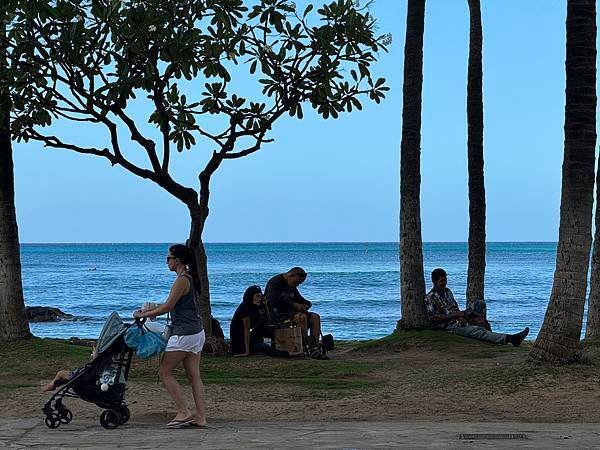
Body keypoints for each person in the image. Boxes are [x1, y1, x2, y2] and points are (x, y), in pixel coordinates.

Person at [133, 244, 207, 429]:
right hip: (196, 333)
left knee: (164, 372)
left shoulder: (182, 280)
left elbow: (168, 307)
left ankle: (184, 412)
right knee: (194, 376)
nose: (167, 261)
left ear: (177, 260)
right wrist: (152, 310)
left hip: (184, 334)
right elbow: (172, 304)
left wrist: (143, 314)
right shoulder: (188, 278)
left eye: (169, 258)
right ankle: (201, 418)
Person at [424, 268, 529, 346]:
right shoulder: (430, 298)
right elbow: (434, 319)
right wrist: (453, 316)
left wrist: (460, 315)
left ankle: (487, 331)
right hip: (448, 325)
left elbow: (454, 307)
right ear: (434, 281)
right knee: (477, 331)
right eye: (442, 281)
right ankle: (511, 339)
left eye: (445, 280)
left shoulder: (447, 292)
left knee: (479, 304)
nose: (444, 283)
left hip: (457, 317)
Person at [264, 267, 322, 343]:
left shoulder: (292, 286)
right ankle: (302, 345)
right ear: (291, 275)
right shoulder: (275, 283)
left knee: (315, 317)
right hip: (276, 315)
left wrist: (306, 305)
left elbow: (300, 299)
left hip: (289, 314)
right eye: (296, 282)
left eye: (299, 283)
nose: (297, 285)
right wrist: (295, 305)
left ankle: (314, 345)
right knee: (301, 317)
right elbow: (274, 302)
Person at [230, 285, 288, 357]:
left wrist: (265, 305)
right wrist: (247, 352)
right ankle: (287, 354)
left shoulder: (255, 307)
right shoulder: (245, 308)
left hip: (248, 339)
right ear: (250, 296)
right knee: (262, 347)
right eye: (257, 296)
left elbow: (269, 320)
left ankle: (280, 345)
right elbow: (246, 331)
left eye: (260, 296)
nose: (259, 299)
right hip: (240, 344)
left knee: (264, 324)